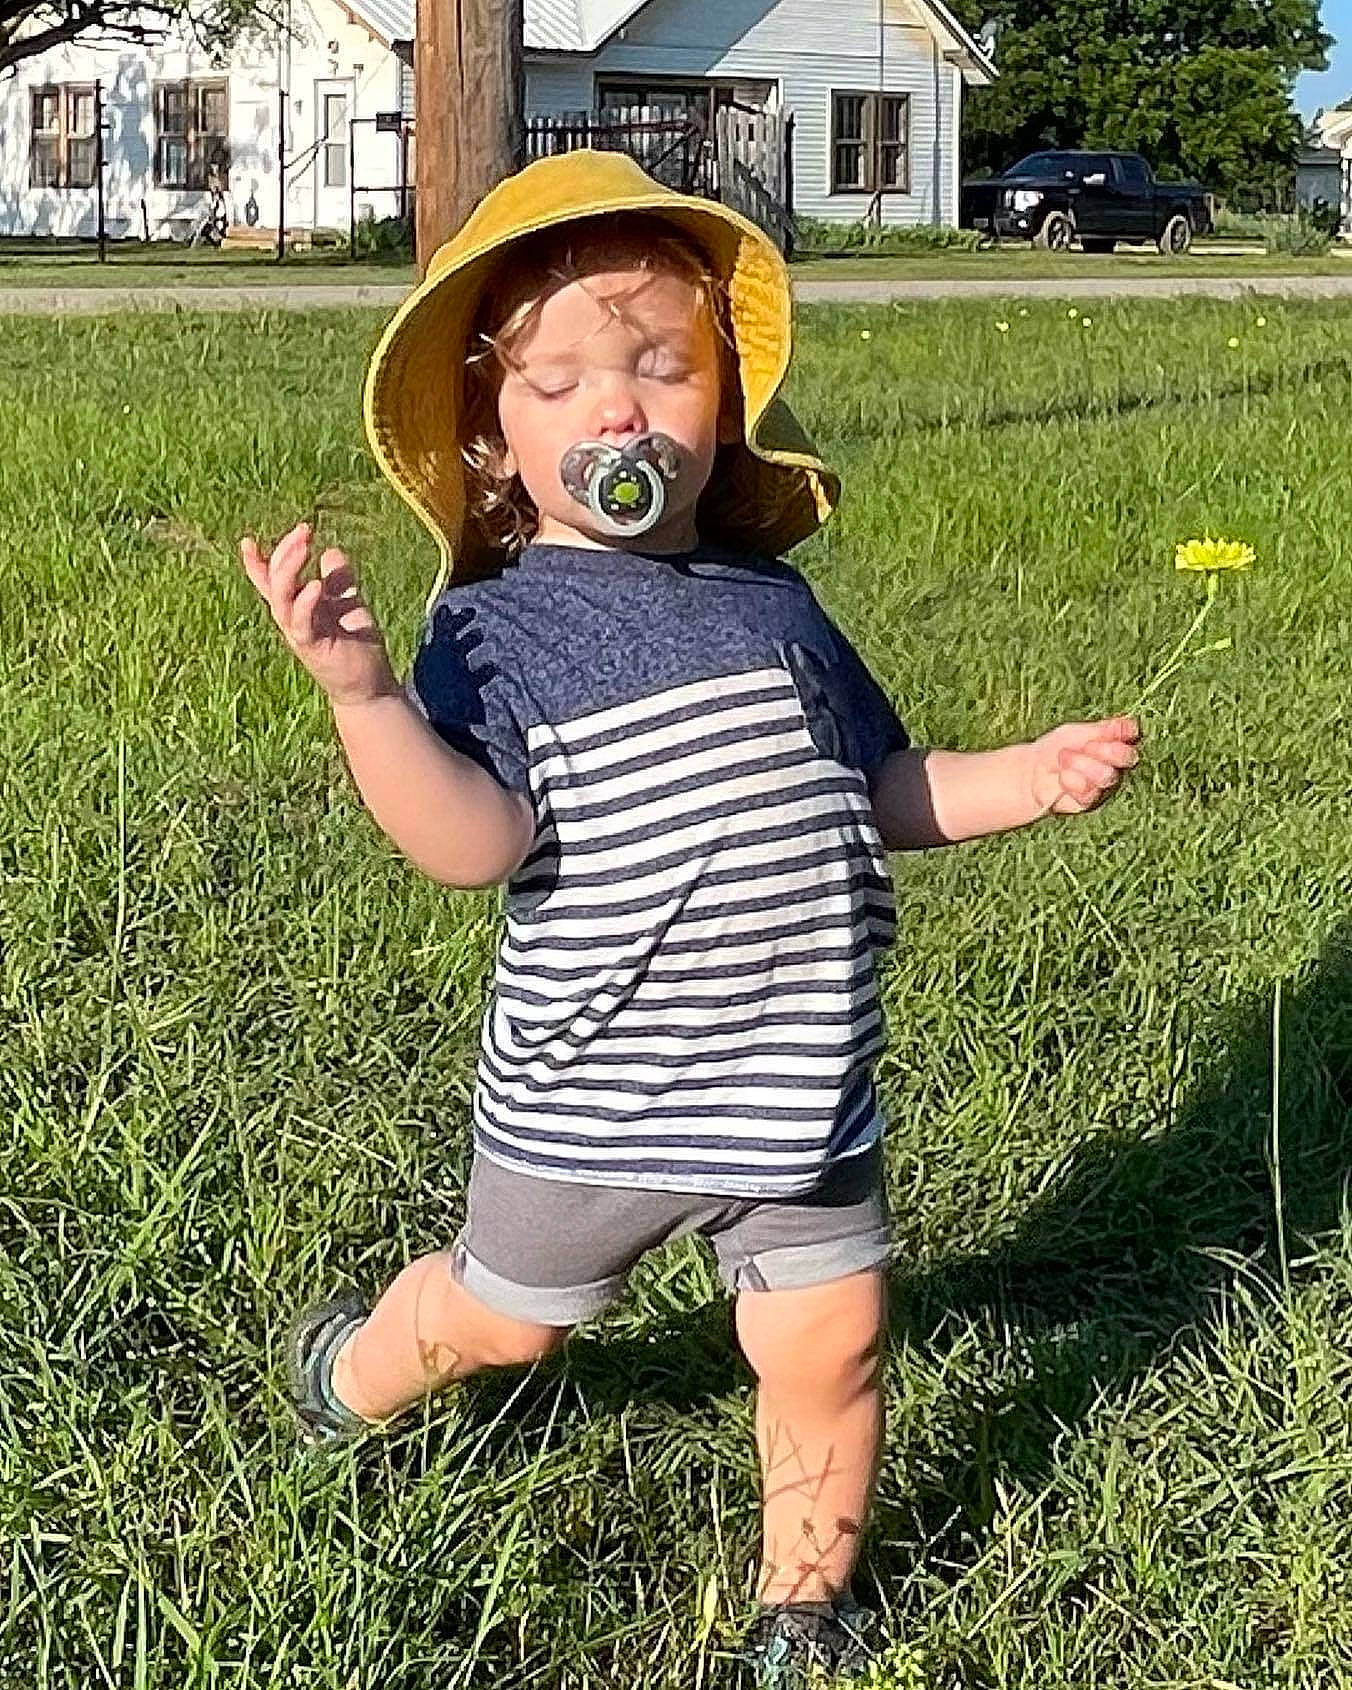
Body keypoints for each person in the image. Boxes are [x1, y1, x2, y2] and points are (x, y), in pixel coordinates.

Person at [239, 150, 1140, 1685]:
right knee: (504, 1324)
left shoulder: (776, 608)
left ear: (721, 403)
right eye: (569, 378)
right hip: (595, 1097)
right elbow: (473, 844)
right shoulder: (497, 627)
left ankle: (802, 1605)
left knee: (834, 1345)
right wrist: (367, 697)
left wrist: (1022, 777)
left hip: (793, 1090)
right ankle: (358, 1364)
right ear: (492, 436)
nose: (620, 408)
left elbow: (882, 785)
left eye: (662, 365)